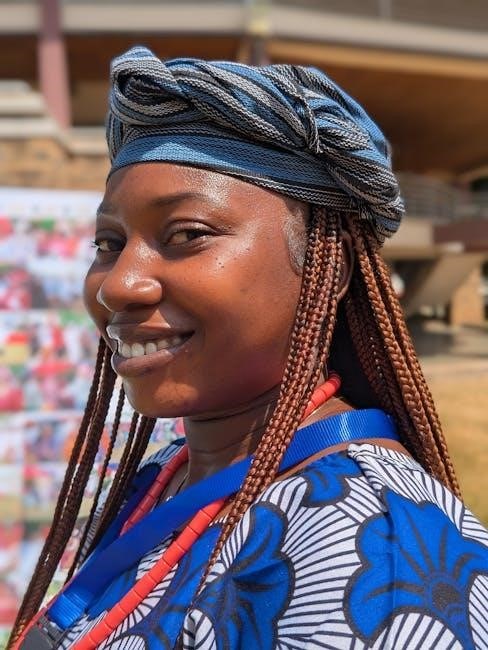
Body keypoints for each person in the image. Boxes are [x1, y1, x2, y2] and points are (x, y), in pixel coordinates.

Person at [10, 47, 488, 649]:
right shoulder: (167, 474)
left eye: (187, 234)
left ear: (329, 268)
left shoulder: (377, 554)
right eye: (108, 244)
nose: (118, 285)